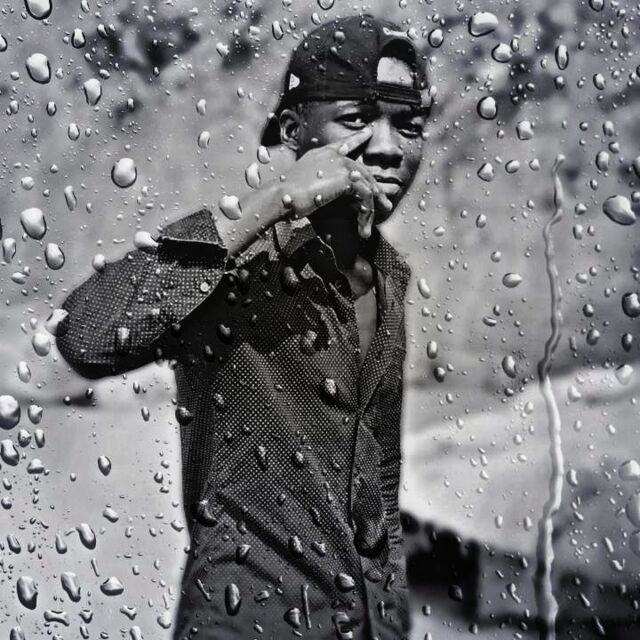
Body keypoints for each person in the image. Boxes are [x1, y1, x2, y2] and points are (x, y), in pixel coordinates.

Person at [57, 13, 430, 640]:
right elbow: (83, 337)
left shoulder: (390, 278)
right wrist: (273, 202)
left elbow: (379, 493)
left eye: (409, 125)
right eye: (358, 119)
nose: (390, 148)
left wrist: (390, 620)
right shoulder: (235, 261)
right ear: (295, 130)